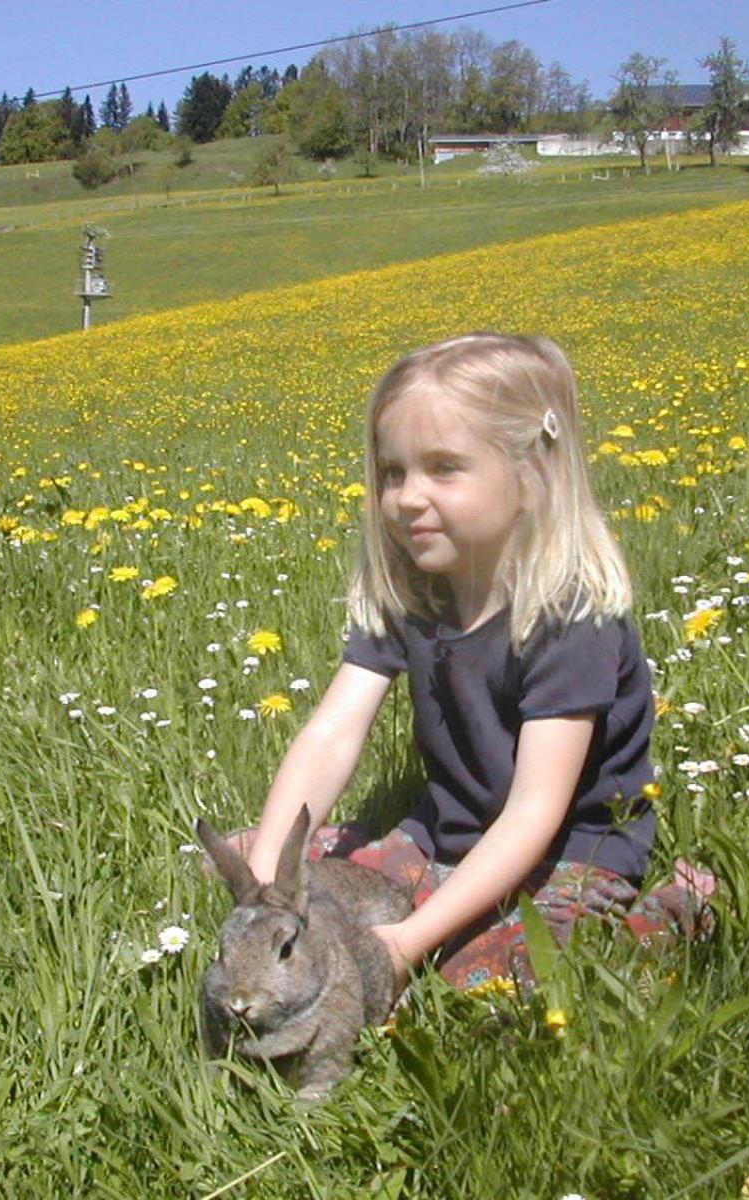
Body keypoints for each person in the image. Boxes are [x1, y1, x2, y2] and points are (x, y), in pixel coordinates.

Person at [237, 332, 715, 992]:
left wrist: (407, 941)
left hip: (567, 855)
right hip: (445, 835)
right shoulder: (416, 591)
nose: (407, 496)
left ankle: (674, 915)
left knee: (480, 978)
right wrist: (266, 879)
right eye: (394, 472)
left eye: (443, 468)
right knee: (266, 871)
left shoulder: (570, 616)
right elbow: (330, 737)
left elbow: (534, 813)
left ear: (531, 471)